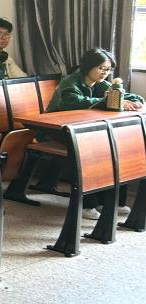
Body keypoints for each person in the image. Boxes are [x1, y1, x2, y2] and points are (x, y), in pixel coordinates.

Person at [44, 48, 142, 219]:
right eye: (101, 68)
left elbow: (129, 97)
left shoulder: (101, 83)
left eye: (108, 69)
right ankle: (87, 204)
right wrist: (107, 100)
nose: (105, 73)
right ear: (88, 66)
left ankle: (112, 202)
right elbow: (71, 102)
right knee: (94, 151)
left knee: (116, 148)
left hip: (83, 128)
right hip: (57, 129)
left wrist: (132, 100)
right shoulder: (70, 81)